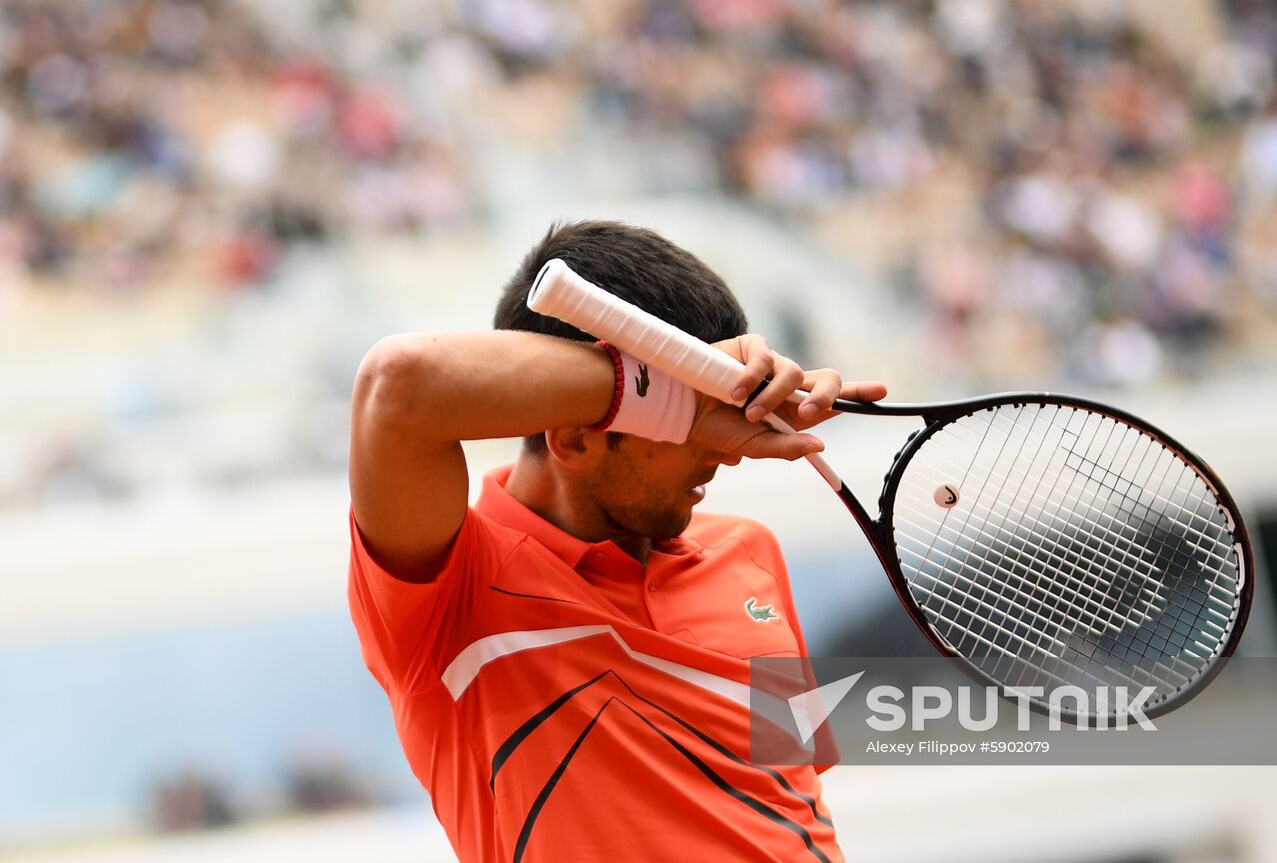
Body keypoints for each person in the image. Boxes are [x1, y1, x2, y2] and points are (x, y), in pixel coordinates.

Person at [347, 220, 886, 861]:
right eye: (693, 415)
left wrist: (688, 393)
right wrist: (669, 394)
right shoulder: (448, 594)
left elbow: (784, 805)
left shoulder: (750, 551)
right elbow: (400, 383)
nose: (724, 449)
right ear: (575, 435)